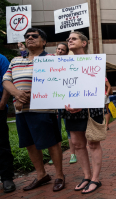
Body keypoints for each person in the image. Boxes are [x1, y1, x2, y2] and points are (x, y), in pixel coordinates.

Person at [3, 28, 65, 191]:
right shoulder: (16, 60)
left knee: (52, 143)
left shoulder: (52, 59)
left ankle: (59, 175)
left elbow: (56, 81)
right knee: (29, 144)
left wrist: (28, 96)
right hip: (21, 111)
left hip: (44, 110)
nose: (29, 38)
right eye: (27, 36)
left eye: (34, 36)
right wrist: (16, 93)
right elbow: (6, 80)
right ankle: (41, 175)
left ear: (44, 41)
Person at [18, 42, 77, 165]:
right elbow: (30, 60)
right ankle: (55, 155)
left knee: (69, 128)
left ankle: (72, 154)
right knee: (57, 130)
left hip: (66, 102)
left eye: (63, 50)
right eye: (58, 49)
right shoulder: (49, 60)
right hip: (53, 103)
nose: (60, 51)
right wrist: (23, 51)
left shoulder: (68, 64)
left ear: (66, 53)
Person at [64, 31, 103, 194]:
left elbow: (99, 88)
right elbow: (60, 87)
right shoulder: (62, 63)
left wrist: (83, 103)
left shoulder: (94, 61)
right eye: (68, 39)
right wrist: (64, 103)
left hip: (90, 108)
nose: (69, 41)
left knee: (93, 143)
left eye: (73, 38)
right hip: (70, 109)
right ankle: (86, 177)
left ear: (84, 43)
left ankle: (95, 179)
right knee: (77, 143)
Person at [0, 54, 16, 193]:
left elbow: (6, 81)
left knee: (2, 143)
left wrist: (2, 103)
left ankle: (6, 177)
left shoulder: (1, 59)